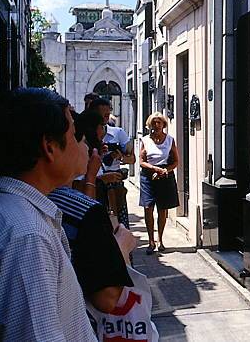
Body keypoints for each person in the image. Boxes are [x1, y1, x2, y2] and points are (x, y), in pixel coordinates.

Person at [0, 88, 97, 341]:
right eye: (74, 135)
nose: (81, 144)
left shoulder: (6, 212)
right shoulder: (26, 236)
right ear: (49, 147)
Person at [48, 112, 136, 314]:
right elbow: (107, 298)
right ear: (50, 147)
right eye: (76, 138)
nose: (87, 148)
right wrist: (120, 248)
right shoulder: (83, 210)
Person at [89, 98, 135, 229]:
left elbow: (132, 159)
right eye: (102, 115)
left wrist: (119, 157)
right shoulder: (86, 136)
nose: (105, 118)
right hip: (94, 183)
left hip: (114, 183)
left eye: (107, 114)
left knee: (119, 223)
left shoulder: (118, 133)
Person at [139, 112, 179, 255]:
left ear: (163, 125)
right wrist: (154, 168)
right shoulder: (145, 140)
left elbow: (176, 161)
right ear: (150, 125)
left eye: (159, 123)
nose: (156, 125)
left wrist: (163, 170)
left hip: (165, 176)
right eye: (154, 123)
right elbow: (142, 161)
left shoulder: (170, 140)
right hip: (148, 177)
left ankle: (160, 239)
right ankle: (151, 241)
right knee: (148, 207)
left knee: (162, 209)